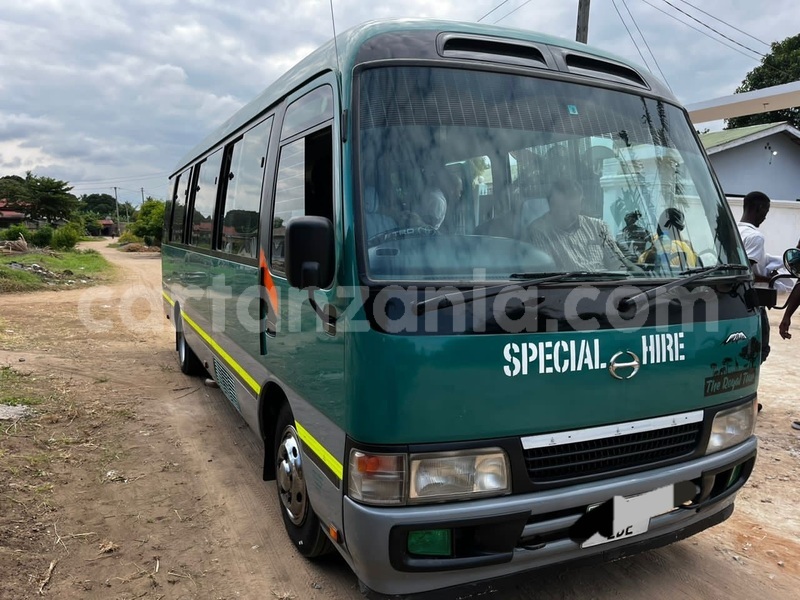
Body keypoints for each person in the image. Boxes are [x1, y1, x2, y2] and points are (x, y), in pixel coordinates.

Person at [527, 179, 632, 271]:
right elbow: (547, 274)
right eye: (560, 208)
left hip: (606, 286)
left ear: (582, 204)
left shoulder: (598, 227)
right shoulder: (538, 231)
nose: (565, 214)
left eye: (572, 209)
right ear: (550, 205)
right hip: (566, 289)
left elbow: (618, 264)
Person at [737, 191, 772, 369]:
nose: (765, 217)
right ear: (759, 208)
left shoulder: (732, 231)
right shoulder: (756, 237)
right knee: (760, 349)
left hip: (732, 299)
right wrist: (768, 278)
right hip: (753, 299)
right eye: (766, 211)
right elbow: (746, 272)